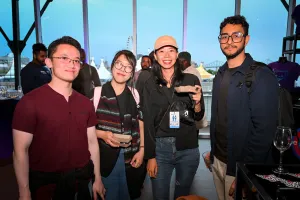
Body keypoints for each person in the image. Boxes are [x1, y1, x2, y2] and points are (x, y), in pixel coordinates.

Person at [12, 36, 105, 200]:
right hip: (46, 188)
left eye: (76, 60)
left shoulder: (85, 103)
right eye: (64, 58)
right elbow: (20, 151)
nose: (72, 64)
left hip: (81, 184)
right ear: (48, 62)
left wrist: (97, 178)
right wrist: (24, 192)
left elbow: (92, 142)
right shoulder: (30, 102)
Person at [208, 15, 278, 200]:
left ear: (246, 39)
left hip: (241, 167)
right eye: (224, 36)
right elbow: (219, 119)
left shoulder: (261, 76)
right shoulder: (220, 75)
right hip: (219, 162)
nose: (229, 41)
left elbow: (264, 132)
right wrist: (213, 153)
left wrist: (247, 174)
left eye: (236, 35)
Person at [141, 35, 205, 200]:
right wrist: (151, 156)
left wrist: (197, 103)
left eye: (171, 51)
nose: (167, 56)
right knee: (160, 195)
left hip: (188, 148)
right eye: (162, 51)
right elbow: (147, 122)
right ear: (155, 56)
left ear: (177, 54)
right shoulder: (149, 84)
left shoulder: (191, 79)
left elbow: (199, 115)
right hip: (160, 149)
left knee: (183, 196)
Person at [93, 50, 145, 200]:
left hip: (131, 158)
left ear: (132, 72)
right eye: (119, 64)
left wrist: (142, 151)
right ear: (112, 66)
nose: (122, 69)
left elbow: (141, 123)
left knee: (129, 195)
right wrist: (102, 134)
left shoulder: (135, 94)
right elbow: (85, 128)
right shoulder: (97, 93)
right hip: (105, 159)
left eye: (128, 66)